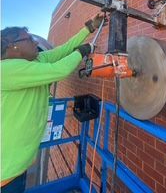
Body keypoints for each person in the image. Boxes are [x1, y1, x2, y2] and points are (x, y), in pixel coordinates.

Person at [1, 14, 104, 193]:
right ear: (12, 45)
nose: (35, 42)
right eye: (30, 39)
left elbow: (63, 51)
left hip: (18, 165)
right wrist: (82, 51)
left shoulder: (35, 60)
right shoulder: (6, 69)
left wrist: (89, 28)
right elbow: (58, 70)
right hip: (5, 172)